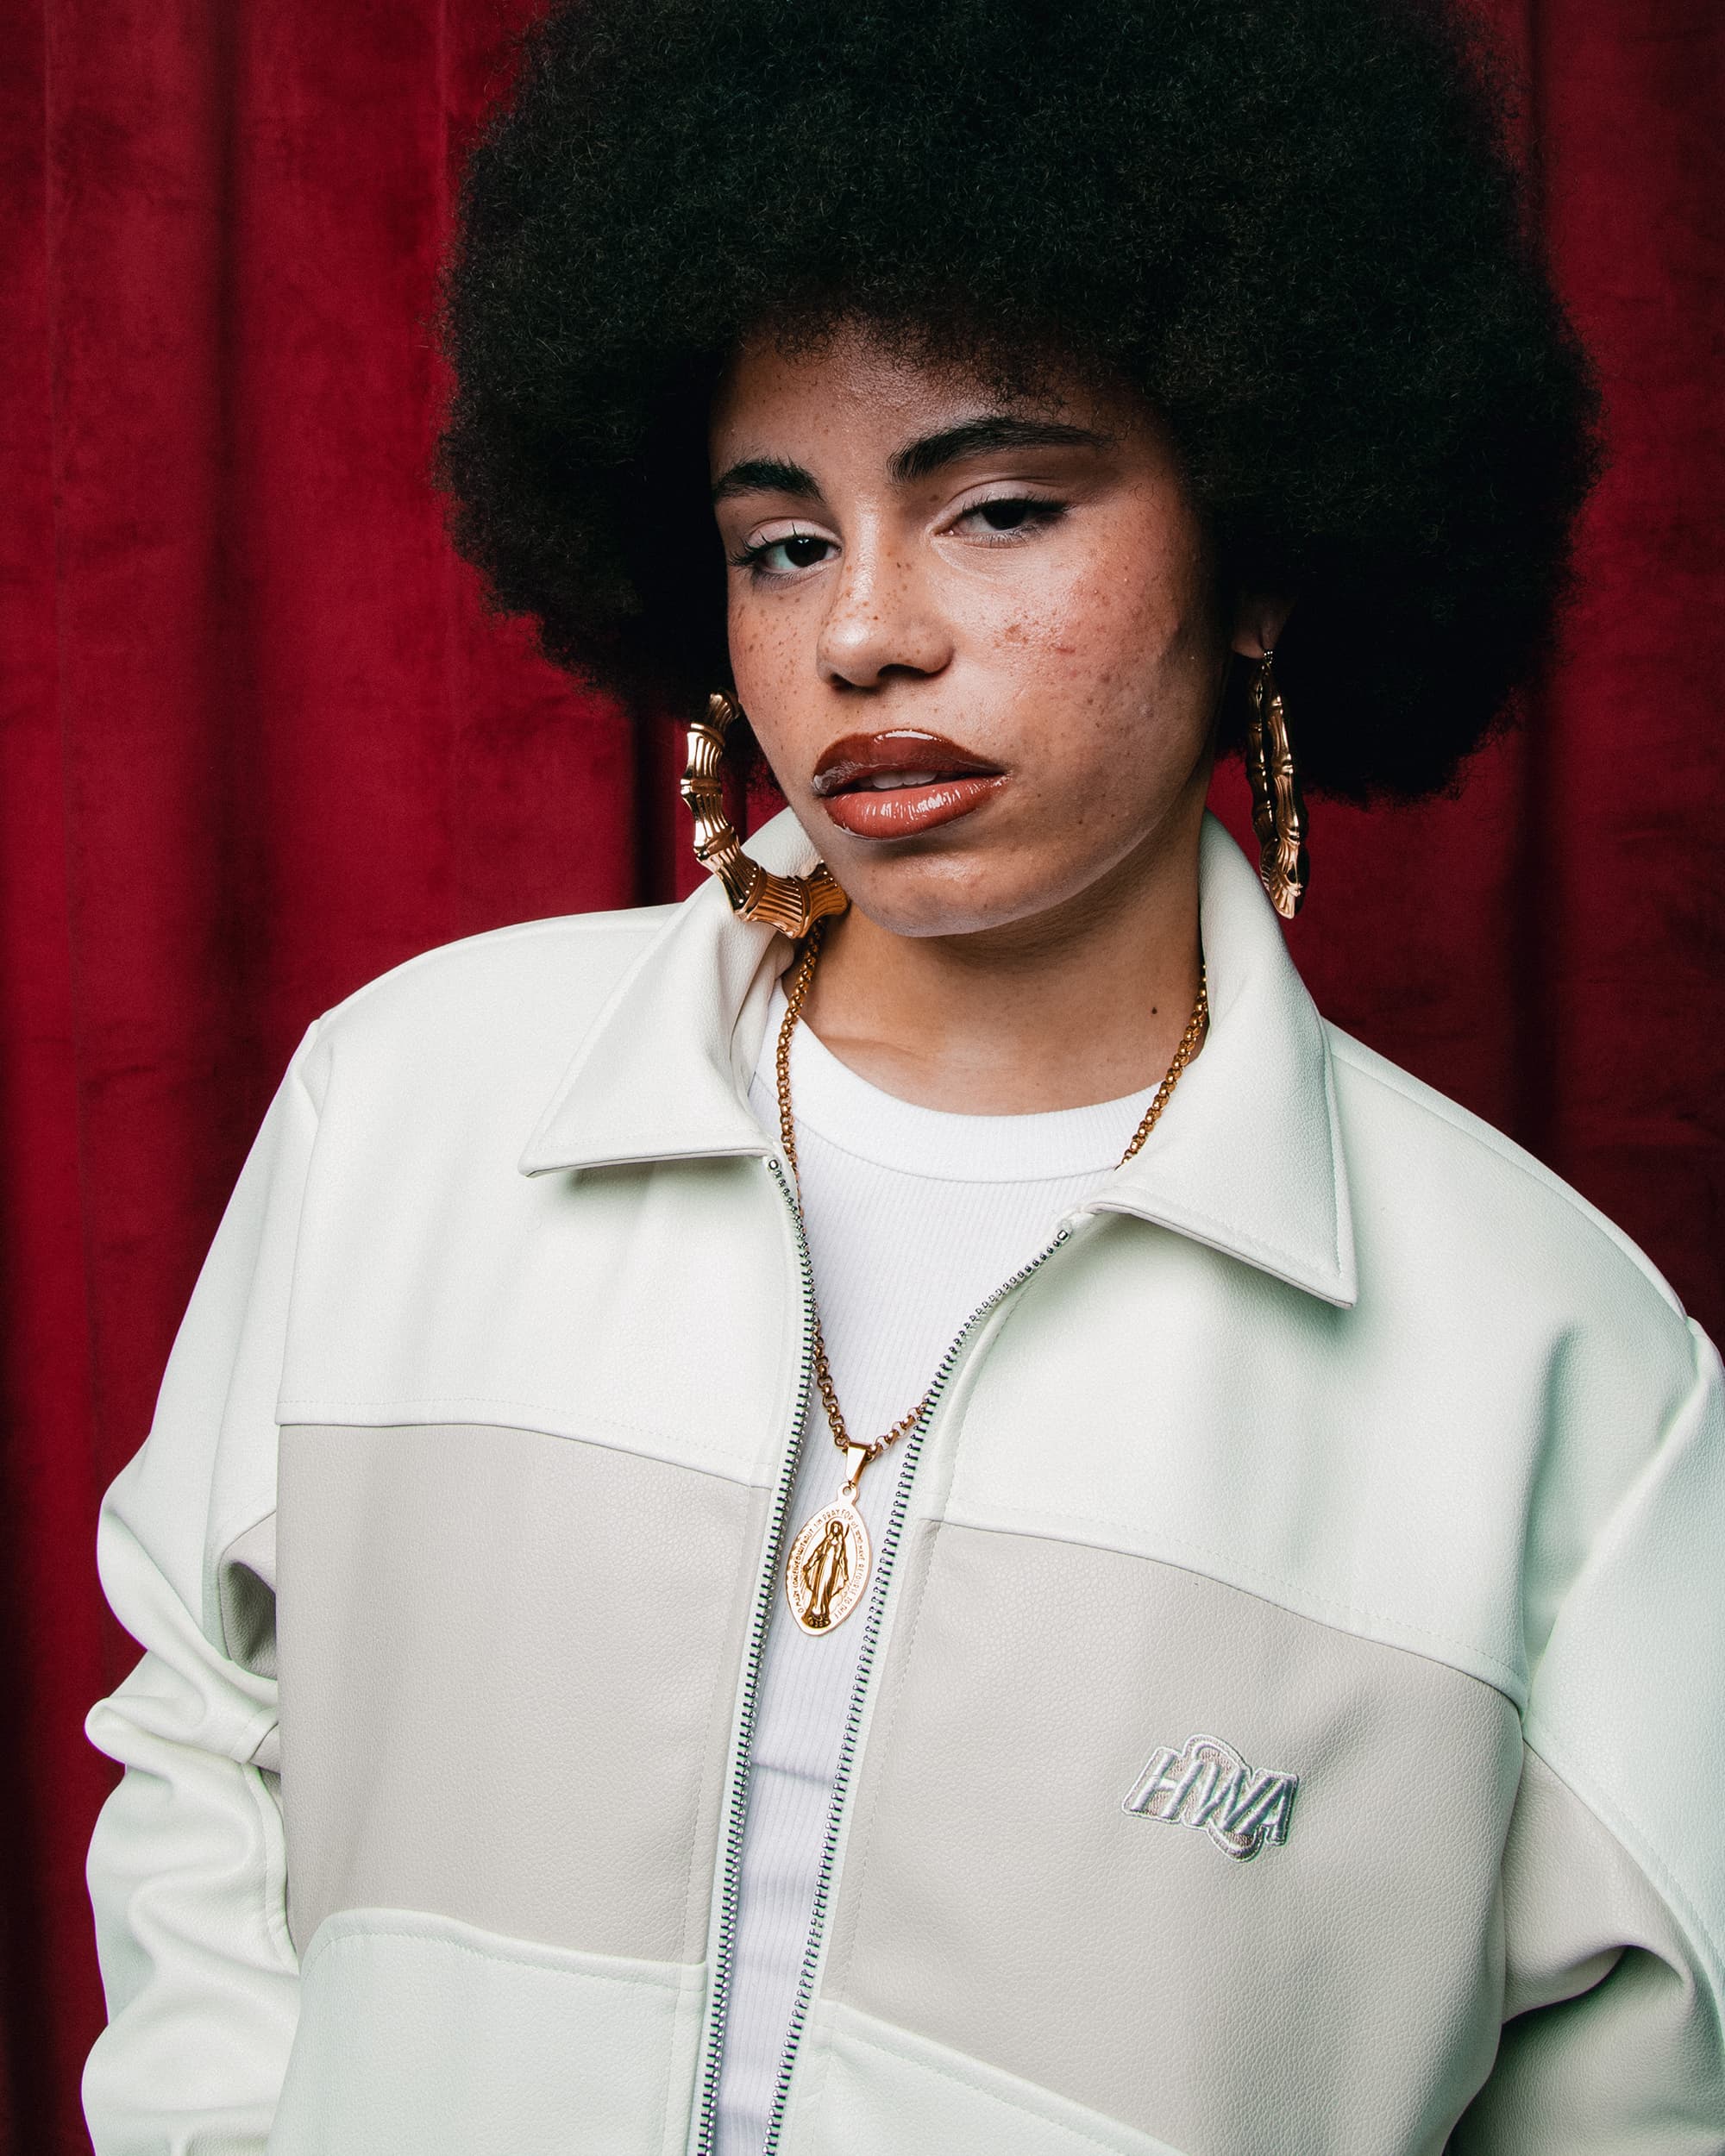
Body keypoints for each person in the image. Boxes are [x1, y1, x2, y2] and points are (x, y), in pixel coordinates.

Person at [82, 0, 1725, 2150]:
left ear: (1256, 557)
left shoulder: (1554, 1360)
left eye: (999, 507)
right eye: (781, 540)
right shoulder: (404, 1111)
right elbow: (207, 1738)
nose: (862, 632)